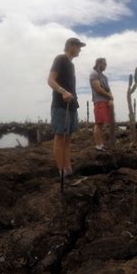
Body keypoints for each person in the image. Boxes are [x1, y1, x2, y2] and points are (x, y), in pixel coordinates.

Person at [47, 37, 86, 179]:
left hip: (72, 106)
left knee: (68, 139)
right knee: (60, 138)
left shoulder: (71, 65)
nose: (80, 49)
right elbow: (50, 80)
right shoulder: (60, 59)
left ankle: (68, 169)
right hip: (60, 105)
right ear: (71, 46)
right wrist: (63, 92)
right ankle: (61, 171)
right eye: (78, 46)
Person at [90, 58, 114, 152]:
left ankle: (101, 144)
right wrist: (110, 97)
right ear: (98, 63)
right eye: (104, 63)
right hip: (99, 101)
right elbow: (98, 89)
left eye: (106, 63)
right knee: (98, 123)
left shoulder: (104, 77)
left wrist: (111, 98)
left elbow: (108, 89)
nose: (105, 65)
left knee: (101, 124)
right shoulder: (94, 74)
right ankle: (98, 146)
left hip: (105, 102)